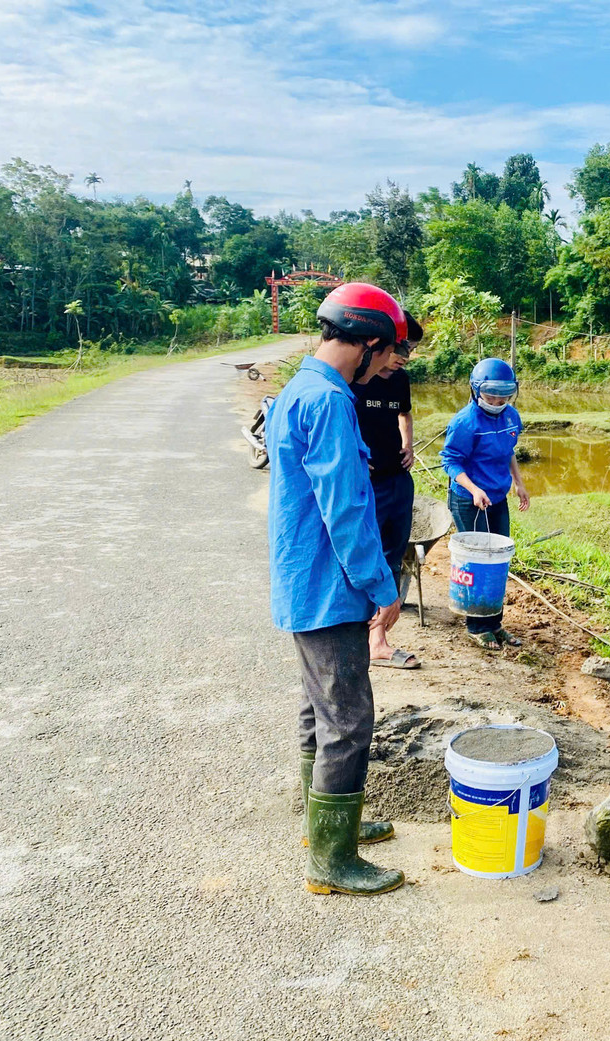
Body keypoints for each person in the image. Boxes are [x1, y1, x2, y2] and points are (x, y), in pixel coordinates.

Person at [268, 282, 411, 897]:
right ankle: (332, 860)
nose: (386, 367)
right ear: (370, 342)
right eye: (387, 354)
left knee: (317, 706)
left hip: (306, 581)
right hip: (331, 585)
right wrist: (383, 588)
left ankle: (324, 823)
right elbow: (346, 510)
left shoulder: (297, 391)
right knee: (349, 718)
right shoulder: (328, 402)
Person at [439, 357, 531, 650]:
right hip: (469, 499)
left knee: (499, 558)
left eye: (504, 396)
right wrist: (474, 489)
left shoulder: (511, 416)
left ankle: (495, 622)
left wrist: (519, 483)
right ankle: (477, 626)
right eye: (491, 396)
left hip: (497, 497)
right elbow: (451, 462)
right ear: (476, 390)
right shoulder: (465, 422)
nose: (497, 401)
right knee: (477, 561)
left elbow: (509, 452)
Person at [354, 308, 424, 670]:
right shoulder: (353, 380)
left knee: (393, 555)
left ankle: (378, 638)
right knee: (366, 553)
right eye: (402, 347)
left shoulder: (400, 381)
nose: (404, 358)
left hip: (395, 478)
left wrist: (408, 445)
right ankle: (356, 636)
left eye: (410, 349)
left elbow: (404, 414)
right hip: (364, 483)